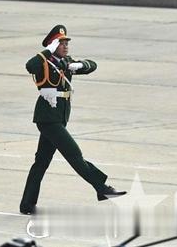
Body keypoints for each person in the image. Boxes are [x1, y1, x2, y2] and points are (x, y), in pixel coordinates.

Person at [19, 25, 126, 215]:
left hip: (60, 116)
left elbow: (92, 65)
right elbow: (30, 66)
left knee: (41, 162)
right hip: (48, 118)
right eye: (61, 43)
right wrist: (47, 51)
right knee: (74, 154)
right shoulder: (44, 62)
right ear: (53, 45)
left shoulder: (65, 62)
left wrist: (79, 65)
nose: (66, 46)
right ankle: (101, 187)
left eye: (66, 43)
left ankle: (27, 204)